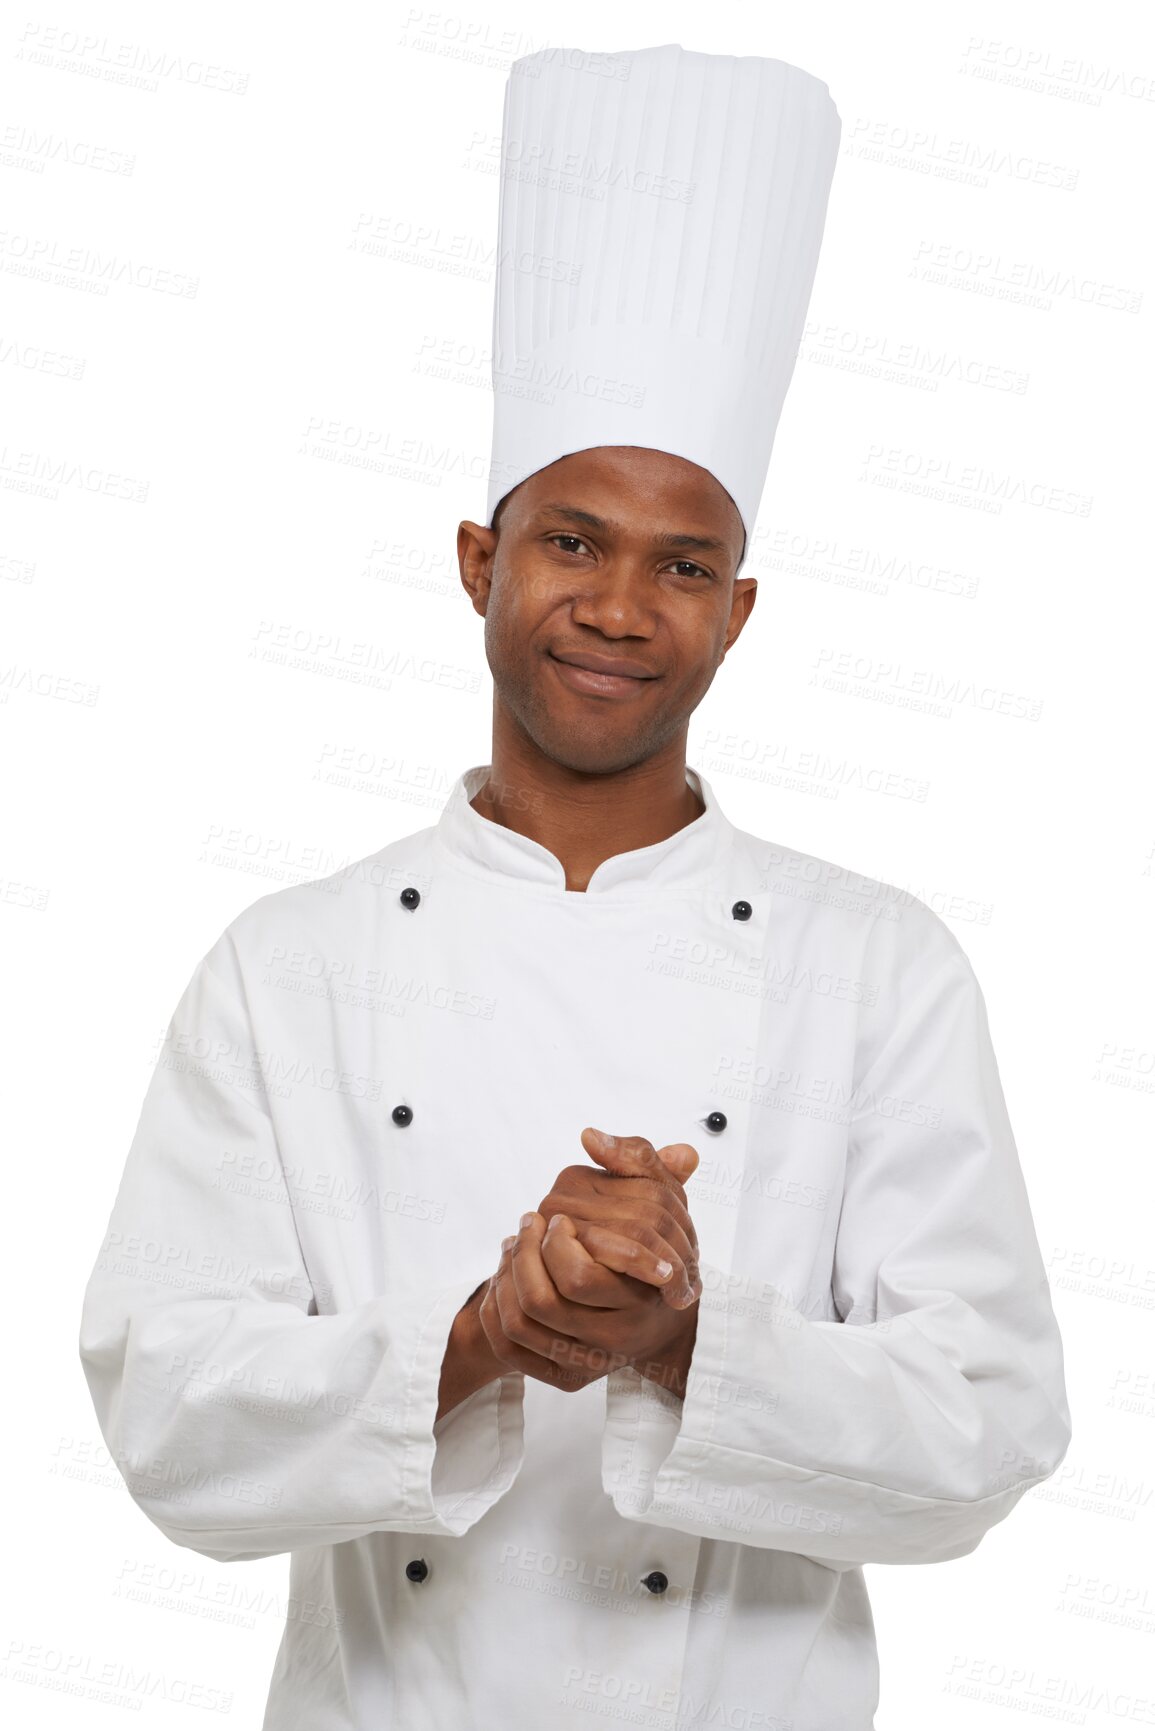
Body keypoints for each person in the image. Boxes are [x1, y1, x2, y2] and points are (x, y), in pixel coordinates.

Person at [78, 44, 1072, 1731]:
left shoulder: (877, 965)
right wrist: (485, 1334)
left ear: (737, 613)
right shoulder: (290, 965)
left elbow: (985, 1441)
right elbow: (166, 1424)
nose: (622, 605)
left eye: (684, 563)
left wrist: (684, 1338)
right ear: (481, 560)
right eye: (572, 540)